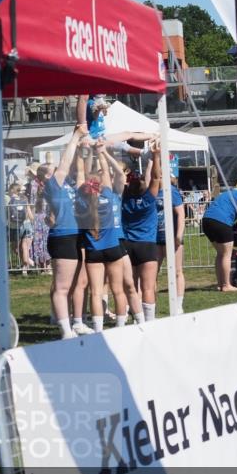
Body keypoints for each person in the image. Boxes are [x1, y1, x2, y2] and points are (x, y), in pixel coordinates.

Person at [75, 142, 141, 332]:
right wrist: (101, 153)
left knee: (96, 292)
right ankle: (120, 327)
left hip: (93, 249)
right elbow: (107, 173)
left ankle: (98, 330)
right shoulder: (110, 195)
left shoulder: (82, 199)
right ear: (102, 184)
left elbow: (80, 175)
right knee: (118, 290)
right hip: (113, 247)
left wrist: (82, 155)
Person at [46, 125, 92, 338]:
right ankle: (65, 329)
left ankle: (77, 322)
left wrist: (86, 147)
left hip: (77, 236)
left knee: (78, 284)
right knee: (62, 287)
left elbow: (81, 169)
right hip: (63, 236)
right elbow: (65, 163)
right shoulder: (53, 186)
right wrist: (74, 136)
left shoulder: (71, 186)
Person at [121, 141, 162, 322]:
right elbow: (156, 178)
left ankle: (137, 318)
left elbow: (120, 182)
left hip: (128, 245)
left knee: (132, 285)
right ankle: (149, 320)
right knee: (148, 286)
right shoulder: (149, 200)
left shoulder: (124, 199)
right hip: (146, 244)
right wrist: (156, 156)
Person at [202, 184, 237, 291]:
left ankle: (220, 284)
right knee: (226, 255)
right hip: (222, 221)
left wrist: (234, 227)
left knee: (221, 254)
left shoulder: (228, 193)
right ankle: (226, 285)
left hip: (206, 221)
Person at [154, 176, 186, 314]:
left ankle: (178, 305)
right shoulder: (152, 190)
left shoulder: (172, 191)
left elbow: (181, 214)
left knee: (177, 271)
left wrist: (178, 235)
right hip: (154, 238)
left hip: (172, 238)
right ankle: (151, 305)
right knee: (152, 273)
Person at [6, 182, 35, 272]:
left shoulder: (9, 200)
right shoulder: (24, 198)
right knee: (24, 247)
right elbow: (30, 213)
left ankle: (28, 263)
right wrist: (32, 222)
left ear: (12, 190)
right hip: (27, 224)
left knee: (15, 248)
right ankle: (27, 266)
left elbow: (7, 214)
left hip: (15, 226)